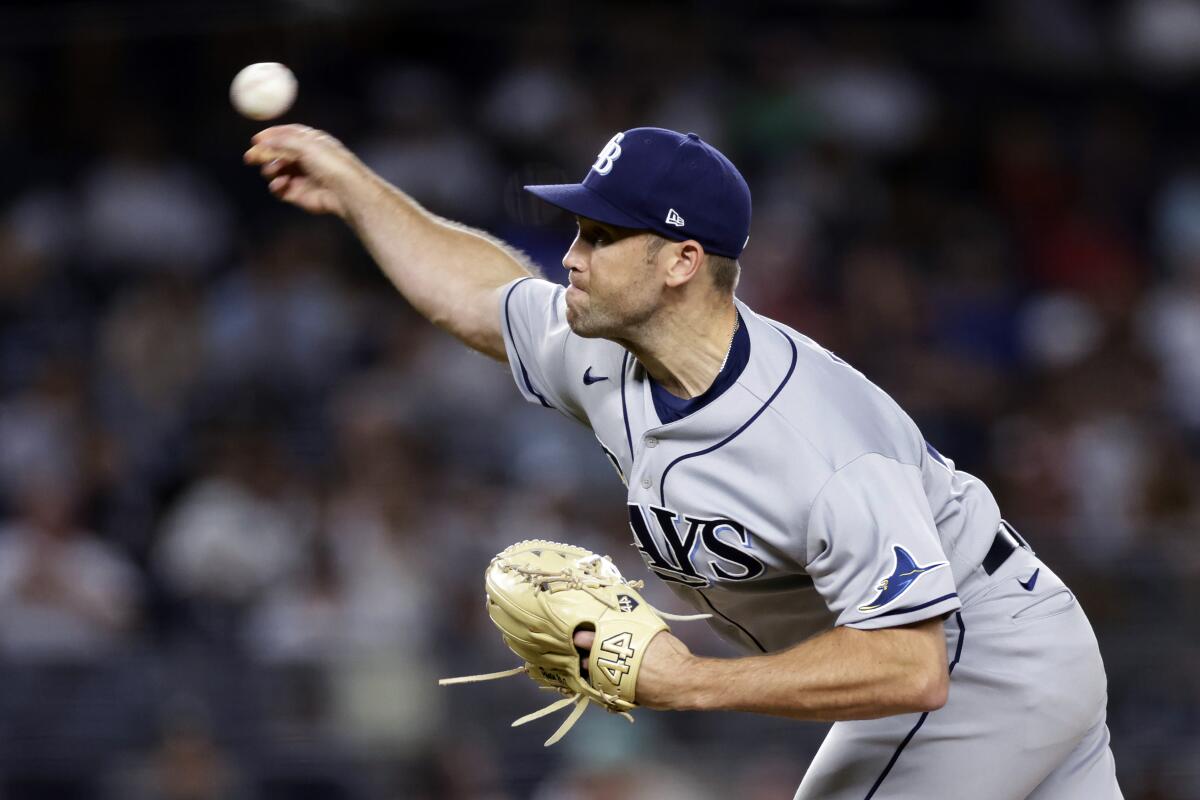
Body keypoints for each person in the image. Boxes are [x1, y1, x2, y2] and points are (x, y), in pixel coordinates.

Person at [245, 124, 1123, 799]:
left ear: (681, 262)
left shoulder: (819, 443)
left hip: (983, 665)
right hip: (1011, 653)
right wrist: (356, 187)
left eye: (598, 236)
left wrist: (690, 682)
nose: (572, 258)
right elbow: (479, 298)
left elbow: (911, 667)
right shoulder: (600, 350)